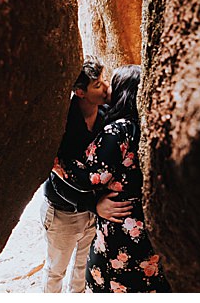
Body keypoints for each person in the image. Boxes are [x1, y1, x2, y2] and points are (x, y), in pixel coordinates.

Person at [60, 65, 171, 293]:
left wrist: (57, 164)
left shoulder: (119, 130)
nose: (108, 88)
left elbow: (94, 177)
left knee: (116, 280)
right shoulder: (146, 123)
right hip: (144, 218)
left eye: (111, 82)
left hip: (121, 224)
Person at [41, 56, 133, 293]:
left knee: (82, 269)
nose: (105, 88)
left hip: (93, 211)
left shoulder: (106, 115)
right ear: (80, 92)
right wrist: (93, 204)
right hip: (64, 211)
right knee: (56, 270)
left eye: (103, 81)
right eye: (97, 85)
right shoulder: (63, 121)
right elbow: (57, 176)